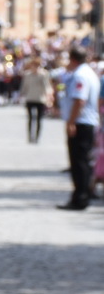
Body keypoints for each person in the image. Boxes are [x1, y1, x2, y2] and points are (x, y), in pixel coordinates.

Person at [56, 47, 99, 210]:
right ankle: (83, 194)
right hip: (85, 122)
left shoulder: (80, 75)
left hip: (81, 122)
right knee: (82, 161)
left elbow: (79, 101)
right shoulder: (87, 72)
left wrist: (71, 122)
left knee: (79, 162)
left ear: (73, 59)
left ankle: (80, 198)